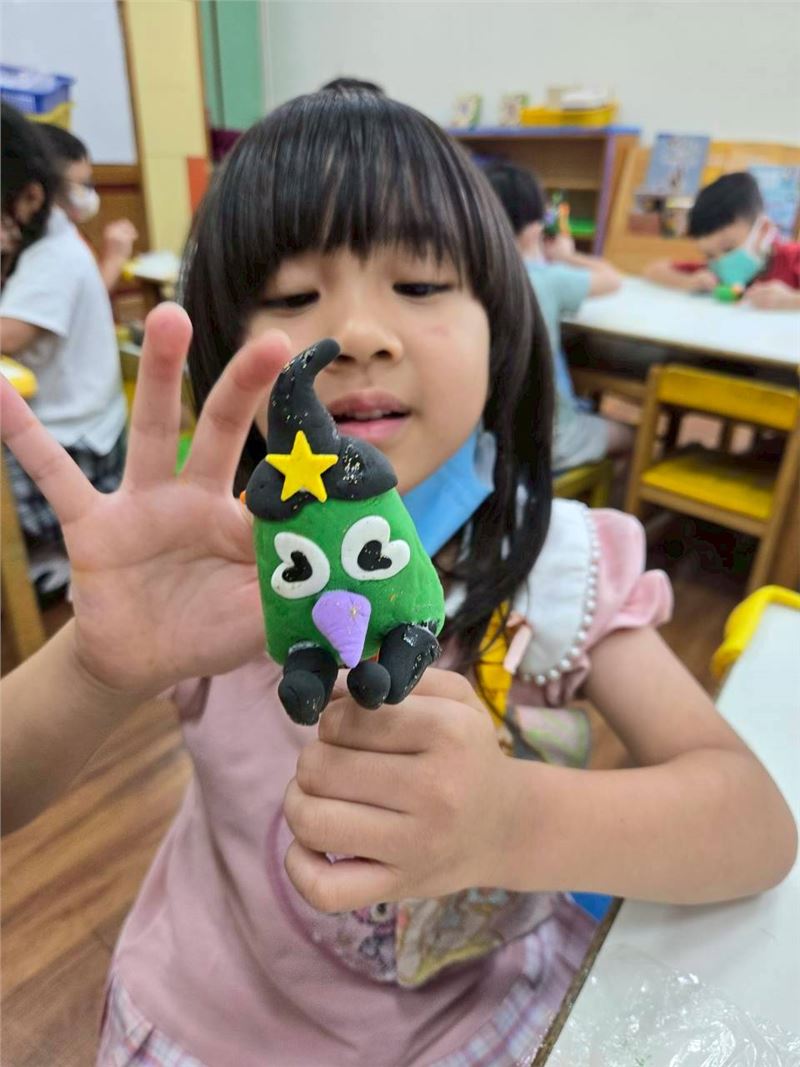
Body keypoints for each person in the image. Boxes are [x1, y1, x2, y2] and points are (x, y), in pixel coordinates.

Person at [1, 87, 795, 1067]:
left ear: (501, 324)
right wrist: (90, 665)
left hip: (474, 1017)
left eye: (419, 284)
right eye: (293, 297)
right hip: (214, 1019)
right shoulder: (216, 574)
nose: (359, 333)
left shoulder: (559, 565)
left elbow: (755, 824)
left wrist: (509, 818)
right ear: (226, 349)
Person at [0, 103, 127, 595]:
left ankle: (52, 558)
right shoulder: (39, 240)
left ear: (30, 198)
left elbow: (12, 334)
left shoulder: (54, 251)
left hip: (76, 440)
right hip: (76, 423)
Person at [484, 161, 634, 471]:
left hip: (480, 439)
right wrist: (568, 256)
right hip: (548, 440)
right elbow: (612, 279)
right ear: (535, 230)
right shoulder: (546, 278)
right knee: (632, 436)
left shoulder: (464, 276)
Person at [644, 171, 800, 310]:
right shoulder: (715, 270)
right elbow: (653, 270)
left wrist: (791, 301)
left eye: (729, 249)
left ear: (763, 230)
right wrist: (688, 282)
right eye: (709, 255)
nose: (721, 261)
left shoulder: (794, 258)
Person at [37, 123, 138, 293]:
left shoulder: (68, 232)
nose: (89, 194)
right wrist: (114, 259)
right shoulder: (42, 246)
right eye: (83, 184)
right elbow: (82, 303)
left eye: (90, 182)